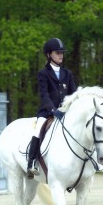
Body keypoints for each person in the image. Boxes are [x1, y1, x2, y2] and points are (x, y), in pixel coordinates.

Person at [27, 37, 77, 179]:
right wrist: (53, 110)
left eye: (62, 52)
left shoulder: (67, 73)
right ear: (49, 54)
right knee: (38, 130)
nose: (61, 55)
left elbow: (74, 93)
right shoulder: (43, 74)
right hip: (48, 112)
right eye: (57, 52)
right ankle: (32, 162)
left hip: (65, 112)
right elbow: (44, 95)